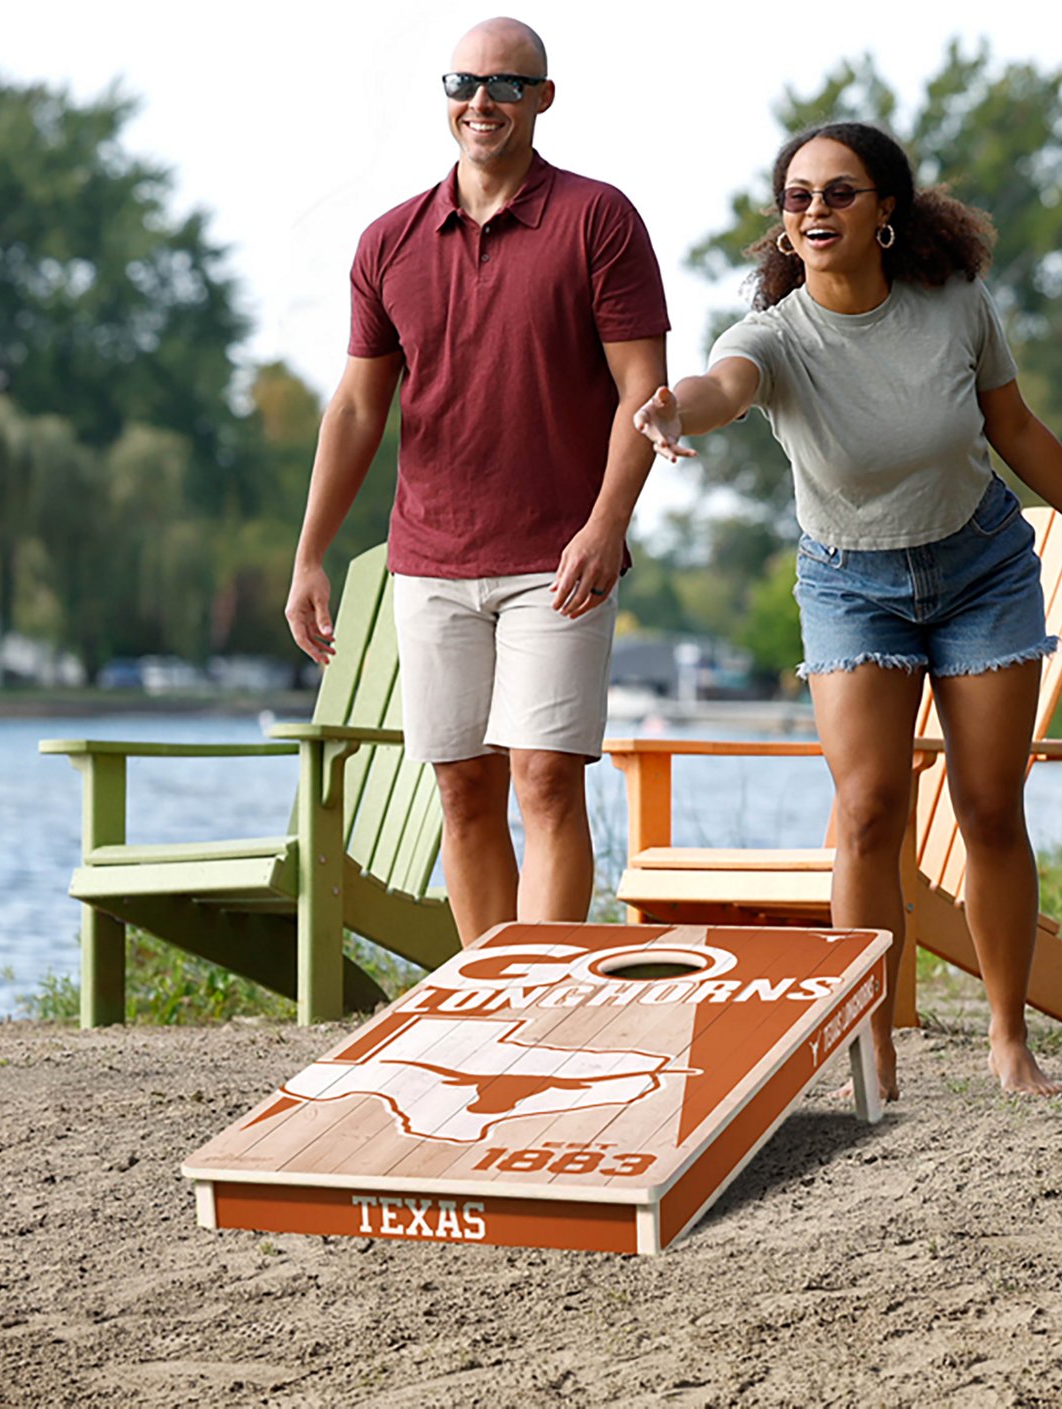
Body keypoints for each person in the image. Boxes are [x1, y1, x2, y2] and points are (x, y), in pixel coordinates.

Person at [634, 122, 1062, 1097]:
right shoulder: (773, 337)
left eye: (839, 192)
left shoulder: (954, 305)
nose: (816, 211)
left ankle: (1008, 1039)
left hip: (983, 570)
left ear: (885, 211)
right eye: (797, 197)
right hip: (848, 585)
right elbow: (720, 386)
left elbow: (1016, 428)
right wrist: (672, 410)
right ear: (783, 227)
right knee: (869, 809)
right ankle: (868, 1044)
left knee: (990, 807)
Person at [285, 17, 668, 946]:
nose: (481, 101)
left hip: (560, 557)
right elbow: (355, 412)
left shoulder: (597, 219)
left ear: (544, 97)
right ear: (447, 98)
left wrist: (607, 524)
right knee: (462, 786)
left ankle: (543, 999)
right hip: (431, 557)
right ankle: (490, 998)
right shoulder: (389, 241)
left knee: (544, 775)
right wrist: (309, 557)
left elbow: (643, 393)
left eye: (505, 85)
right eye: (464, 84)